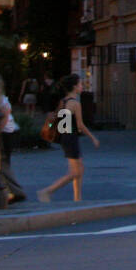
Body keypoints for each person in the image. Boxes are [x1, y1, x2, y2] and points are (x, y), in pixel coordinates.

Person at [39, 74, 99, 202]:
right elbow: (80, 125)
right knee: (75, 172)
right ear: (74, 87)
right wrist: (93, 138)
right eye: (80, 84)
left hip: (66, 137)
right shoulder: (75, 103)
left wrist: (49, 126)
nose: (82, 86)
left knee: (79, 169)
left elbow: (58, 120)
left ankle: (77, 198)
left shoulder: (64, 101)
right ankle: (47, 191)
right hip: (71, 138)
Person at [0, 89, 26, 204]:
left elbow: (5, 114)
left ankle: (15, 192)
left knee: (2, 162)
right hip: (7, 132)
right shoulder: (1, 98)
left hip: (5, 133)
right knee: (2, 162)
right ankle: (11, 191)